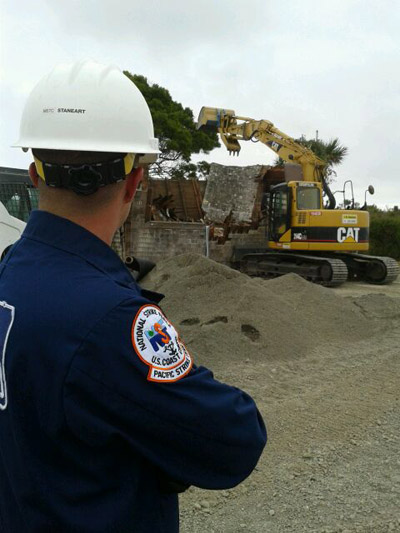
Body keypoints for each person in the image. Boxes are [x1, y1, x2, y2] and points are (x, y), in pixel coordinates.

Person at [0, 60, 267, 533]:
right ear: (133, 182)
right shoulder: (110, 321)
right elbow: (235, 441)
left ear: (35, 175)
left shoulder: (9, 273)